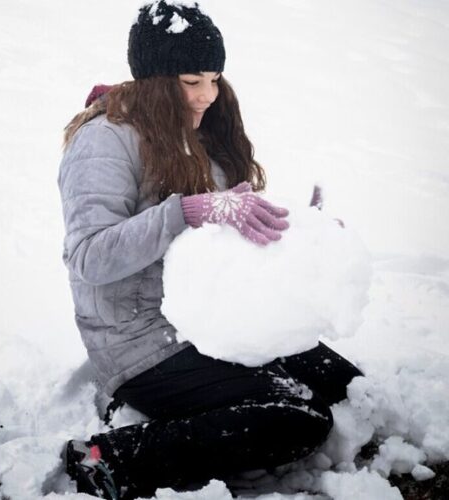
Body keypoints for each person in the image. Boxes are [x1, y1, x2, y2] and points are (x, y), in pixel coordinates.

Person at [57, 1, 362, 498]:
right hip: (140, 343)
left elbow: (231, 236)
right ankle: (108, 457)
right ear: (155, 80)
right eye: (191, 81)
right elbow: (90, 256)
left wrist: (306, 232)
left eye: (215, 79)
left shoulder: (200, 134)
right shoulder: (105, 141)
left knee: (344, 386)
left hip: (215, 321)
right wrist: (187, 212)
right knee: (297, 418)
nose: (207, 96)